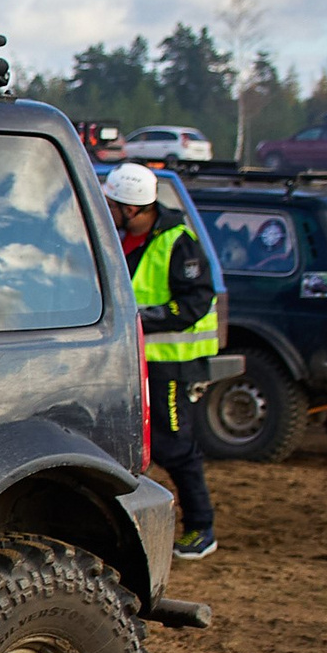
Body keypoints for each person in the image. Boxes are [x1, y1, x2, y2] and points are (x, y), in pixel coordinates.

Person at [107, 162, 218, 559]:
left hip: (172, 362)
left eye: (114, 204)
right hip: (137, 362)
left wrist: (144, 318)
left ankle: (201, 528)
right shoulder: (125, 240)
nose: (109, 210)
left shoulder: (177, 241)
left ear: (132, 208)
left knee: (174, 446)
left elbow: (195, 302)